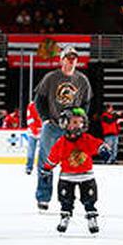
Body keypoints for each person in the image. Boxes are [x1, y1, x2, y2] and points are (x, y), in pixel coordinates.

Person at [33, 46, 92, 210]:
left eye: (74, 58)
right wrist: (44, 119)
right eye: (68, 57)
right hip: (52, 125)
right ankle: (43, 197)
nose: (71, 60)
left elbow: (86, 102)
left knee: (74, 161)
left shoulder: (82, 80)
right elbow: (39, 100)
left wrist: (81, 120)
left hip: (72, 128)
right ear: (62, 59)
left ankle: (69, 197)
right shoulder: (51, 77)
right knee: (46, 161)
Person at [43, 108, 111, 233]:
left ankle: (91, 217)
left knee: (89, 199)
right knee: (65, 200)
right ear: (65, 123)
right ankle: (65, 216)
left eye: (80, 122)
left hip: (86, 176)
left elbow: (97, 144)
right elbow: (54, 157)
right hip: (67, 177)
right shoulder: (61, 143)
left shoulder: (86, 139)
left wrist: (103, 149)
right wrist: (47, 168)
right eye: (75, 122)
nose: (79, 125)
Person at [24, 100, 42, 175]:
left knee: (43, 152)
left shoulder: (45, 103)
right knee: (31, 151)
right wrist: (33, 128)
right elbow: (29, 118)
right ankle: (29, 167)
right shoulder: (31, 105)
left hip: (42, 131)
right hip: (32, 132)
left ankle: (41, 168)